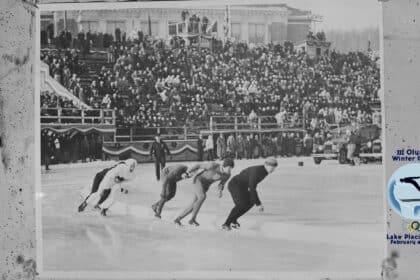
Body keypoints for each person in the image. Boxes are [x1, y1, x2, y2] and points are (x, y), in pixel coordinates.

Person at [174, 158, 234, 226]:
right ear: (224, 166)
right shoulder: (213, 165)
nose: (230, 170)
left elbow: (221, 184)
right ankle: (192, 219)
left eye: (231, 168)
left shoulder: (227, 175)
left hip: (205, 186)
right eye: (229, 167)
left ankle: (178, 219)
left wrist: (220, 191)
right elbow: (198, 165)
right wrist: (186, 172)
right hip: (198, 180)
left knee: (194, 204)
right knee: (202, 197)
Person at [222, 157, 278, 230]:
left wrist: (256, 202)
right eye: (271, 167)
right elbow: (252, 188)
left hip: (242, 187)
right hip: (235, 185)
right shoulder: (258, 171)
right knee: (241, 204)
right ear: (266, 165)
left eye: (274, 167)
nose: (272, 169)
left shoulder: (264, 171)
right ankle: (226, 224)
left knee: (251, 201)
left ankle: (233, 220)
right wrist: (258, 203)